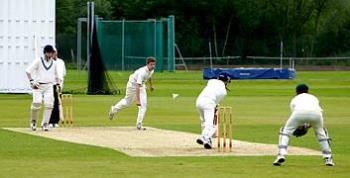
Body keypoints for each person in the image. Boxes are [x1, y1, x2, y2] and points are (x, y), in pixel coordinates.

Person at [273, 84, 334, 166]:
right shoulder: (313, 97)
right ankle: (328, 158)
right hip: (317, 114)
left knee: (285, 131)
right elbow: (317, 113)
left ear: (296, 91)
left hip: (299, 113)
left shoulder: (295, 99)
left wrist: (301, 126)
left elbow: (297, 115)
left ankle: (281, 154)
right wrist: (307, 127)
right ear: (308, 91)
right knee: (321, 132)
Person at [108, 57, 156, 130]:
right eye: (151, 64)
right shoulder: (142, 72)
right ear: (147, 64)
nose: (153, 66)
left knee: (144, 106)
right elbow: (137, 87)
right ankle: (113, 109)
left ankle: (139, 124)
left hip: (141, 86)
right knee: (127, 102)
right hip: (132, 85)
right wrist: (138, 100)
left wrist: (151, 86)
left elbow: (149, 77)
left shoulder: (151, 70)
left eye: (154, 65)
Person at [25, 45, 61, 131]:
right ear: (45, 53)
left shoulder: (54, 63)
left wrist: (58, 85)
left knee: (49, 105)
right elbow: (28, 71)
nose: (50, 54)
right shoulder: (38, 61)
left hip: (49, 86)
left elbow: (56, 75)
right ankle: (33, 121)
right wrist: (31, 81)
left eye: (51, 53)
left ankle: (45, 123)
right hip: (38, 85)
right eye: (49, 53)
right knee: (36, 103)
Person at [195, 72, 231, 149]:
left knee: (204, 122)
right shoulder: (223, 92)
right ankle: (203, 137)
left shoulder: (211, 81)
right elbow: (215, 104)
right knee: (212, 124)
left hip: (198, 102)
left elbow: (214, 78)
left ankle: (207, 141)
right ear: (226, 81)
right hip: (209, 104)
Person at [49, 47, 66, 128]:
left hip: (59, 85)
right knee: (50, 104)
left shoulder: (61, 62)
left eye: (55, 52)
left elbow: (63, 74)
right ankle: (50, 121)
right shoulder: (49, 62)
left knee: (57, 104)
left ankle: (55, 121)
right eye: (53, 52)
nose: (55, 53)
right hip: (51, 85)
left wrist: (60, 84)